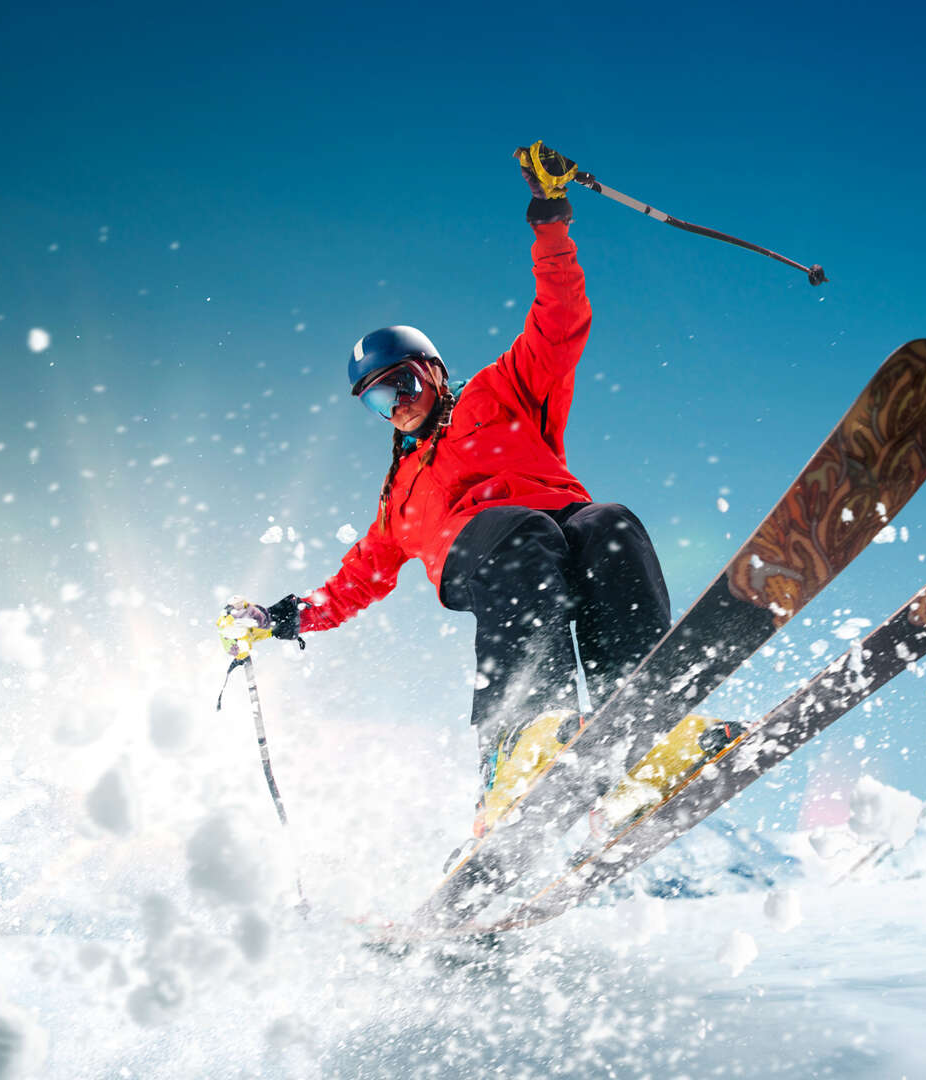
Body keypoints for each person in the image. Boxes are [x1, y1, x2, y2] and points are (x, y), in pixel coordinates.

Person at [233, 143, 672, 837]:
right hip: (491, 556)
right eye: (378, 403)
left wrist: (550, 223)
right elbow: (356, 582)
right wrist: (282, 616)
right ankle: (518, 744)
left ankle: (641, 733)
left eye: (403, 384)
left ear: (434, 372)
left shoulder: (502, 393)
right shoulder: (400, 496)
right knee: (521, 533)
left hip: (560, 527)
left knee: (609, 523)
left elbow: (559, 322)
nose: (397, 406)